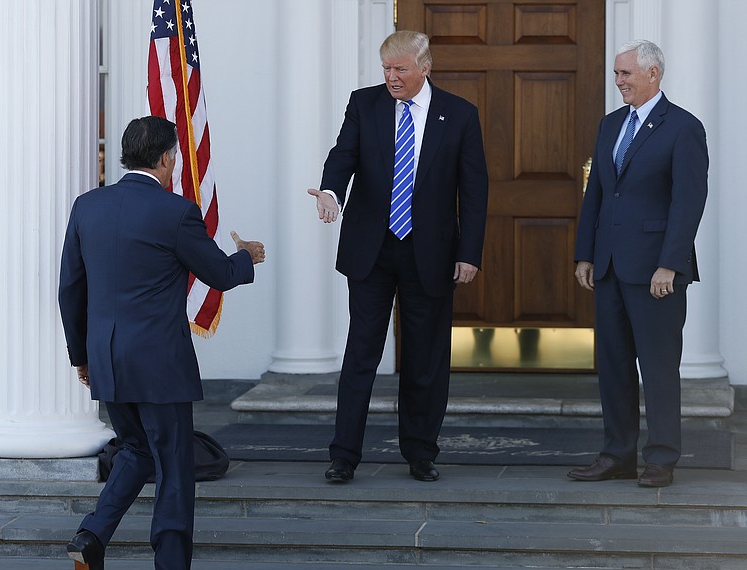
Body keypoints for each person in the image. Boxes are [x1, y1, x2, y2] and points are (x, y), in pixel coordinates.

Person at [58, 116, 265, 569]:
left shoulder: (86, 206)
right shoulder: (176, 212)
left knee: (135, 450)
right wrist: (246, 256)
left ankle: (91, 536)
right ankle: (170, 562)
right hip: (159, 364)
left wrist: (81, 356)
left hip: (108, 359)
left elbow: (70, 289)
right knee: (172, 464)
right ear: (168, 158)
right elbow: (220, 274)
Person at [308, 30, 488, 483]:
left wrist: (469, 253)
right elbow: (342, 155)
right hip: (371, 250)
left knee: (425, 359)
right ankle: (344, 455)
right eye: (386, 69)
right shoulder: (363, 103)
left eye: (400, 69)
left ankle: (421, 452)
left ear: (425, 67)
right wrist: (331, 192)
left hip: (430, 254)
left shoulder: (460, 114)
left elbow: (474, 190)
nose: (391, 78)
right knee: (360, 355)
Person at [570, 40, 708, 488]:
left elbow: (688, 202)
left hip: (656, 273)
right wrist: (585, 253)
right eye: (616, 73)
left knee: (659, 366)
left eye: (625, 74)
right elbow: (599, 194)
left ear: (653, 74)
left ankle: (662, 458)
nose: (618, 82)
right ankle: (618, 455)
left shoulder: (683, 127)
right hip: (609, 267)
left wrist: (669, 263)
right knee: (613, 366)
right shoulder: (610, 125)